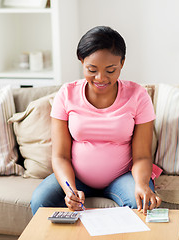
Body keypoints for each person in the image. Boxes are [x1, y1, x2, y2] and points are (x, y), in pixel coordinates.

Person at [30, 26, 161, 215]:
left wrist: (141, 184)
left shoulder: (138, 96)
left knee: (141, 203)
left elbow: (142, 156)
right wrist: (70, 190)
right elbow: (60, 156)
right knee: (40, 200)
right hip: (76, 177)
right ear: (82, 61)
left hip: (123, 177)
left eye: (110, 70)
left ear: (122, 63)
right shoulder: (67, 94)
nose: (101, 78)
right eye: (92, 69)